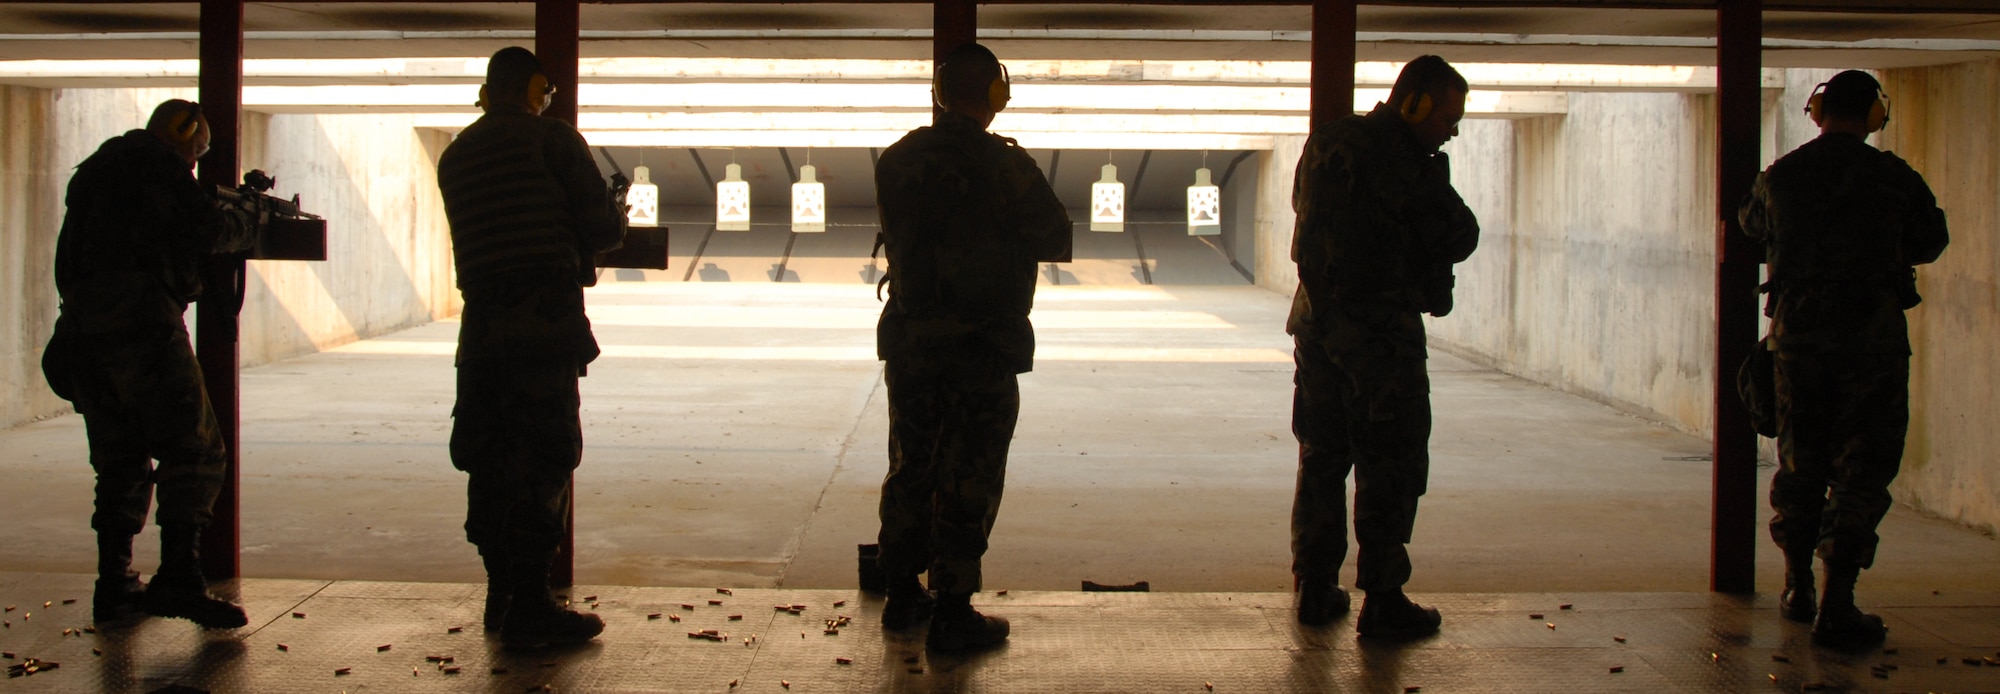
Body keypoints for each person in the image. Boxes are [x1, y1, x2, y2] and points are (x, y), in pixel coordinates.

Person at [871, 42, 1071, 652]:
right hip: (983, 347)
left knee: (912, 465)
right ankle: (953, 610)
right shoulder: (1007, 165)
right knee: (971, 472)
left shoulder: (897, 159)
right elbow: (1055, 237)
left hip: (912, 343)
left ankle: (902, 593)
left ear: (938, 92)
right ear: (995, 95)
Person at [1739, 69, 1948, 648]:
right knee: (1863, 470)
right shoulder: (1892, 177)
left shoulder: (1784, 176)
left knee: (1800, 464)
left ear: (1817, 111)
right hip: (1871, 347)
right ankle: (1838, 600)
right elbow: (1931, 240)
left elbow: (1751, 226)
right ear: (1873, 116)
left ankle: (1796, 586)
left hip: (1799, 344)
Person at [436, 46, 627, 650]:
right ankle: (533, 605)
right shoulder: (554, 141)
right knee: (545, 458)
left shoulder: (457, 154)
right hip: (542, 326)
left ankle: (502, 593)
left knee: (490, 457)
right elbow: (598, 230)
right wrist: (615, 214)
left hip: (483, 331)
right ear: (537, 88)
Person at [44, 99, 261, 628]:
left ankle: (115, 583)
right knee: (197, 450)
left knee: (121, 459)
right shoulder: (156, 169)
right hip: (141, 330)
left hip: (83, 337)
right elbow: (209, 229)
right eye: (196, 153)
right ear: (183, 137)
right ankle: (179, 580)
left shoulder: (100, 170)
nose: (194, 164)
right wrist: (249, 219)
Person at [1286, 55, 1480, 638]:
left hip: (1317, 326)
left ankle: (1316, 589)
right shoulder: (1405, 162)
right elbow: (1460, 233)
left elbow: (1304, 210)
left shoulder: (1327, 142)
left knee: (1322, 458)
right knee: (1388, 461)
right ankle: (1384, 599)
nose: (1452, 130)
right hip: (1378, 336)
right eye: (1448, 116)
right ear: (1415, 104)